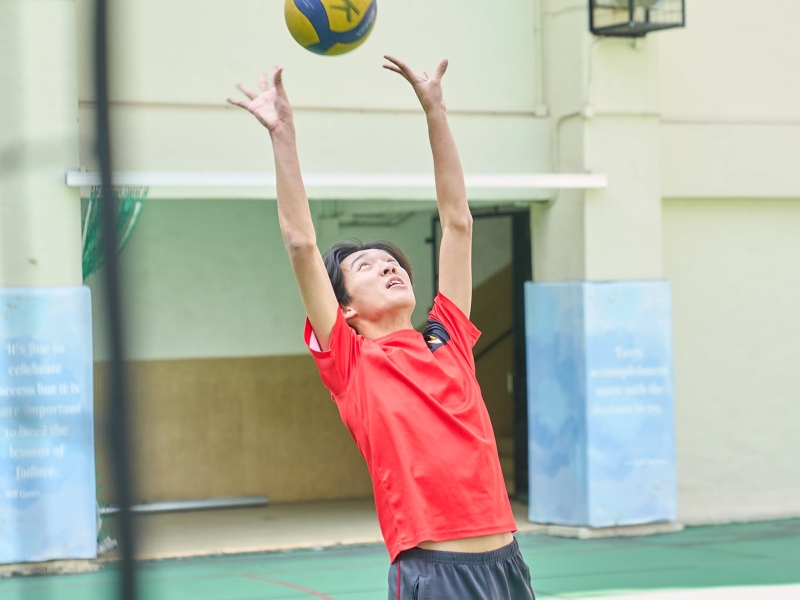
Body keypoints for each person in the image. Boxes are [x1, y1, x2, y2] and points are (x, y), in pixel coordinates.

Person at [228, 56, 535, 600]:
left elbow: (458, 221)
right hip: (436, 571)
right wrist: (283, 137)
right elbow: (301, 244)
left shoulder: (448, 341)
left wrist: (435, 111)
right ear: (344, 308)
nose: (388, 267)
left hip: (506, 564)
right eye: (366, 267)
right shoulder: (351, 362)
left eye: (391, 261)